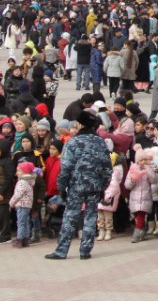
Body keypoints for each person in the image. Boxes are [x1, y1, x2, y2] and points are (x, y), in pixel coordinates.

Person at [45, 109, 113, 260]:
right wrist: (103, 186)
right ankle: (85, 251)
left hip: (76, 186)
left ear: (80, 124)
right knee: (90, 217)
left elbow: (65, 168)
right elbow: (108, 168)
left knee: (70, 217)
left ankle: (61, 251)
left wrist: (61, 187)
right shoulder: (100, 142)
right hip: (94, 186)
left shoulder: (73, 142)